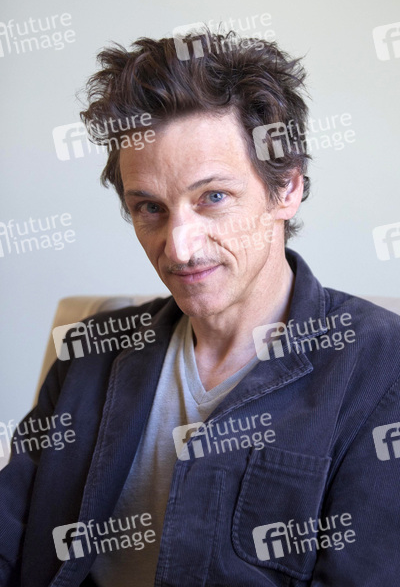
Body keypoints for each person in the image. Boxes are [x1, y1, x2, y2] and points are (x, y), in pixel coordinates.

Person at [1, 29, 399, 587]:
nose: (179, 248)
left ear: (286, 189)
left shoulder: (381, 367)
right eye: (150, 208)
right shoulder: (89, 353)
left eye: (212, 197)